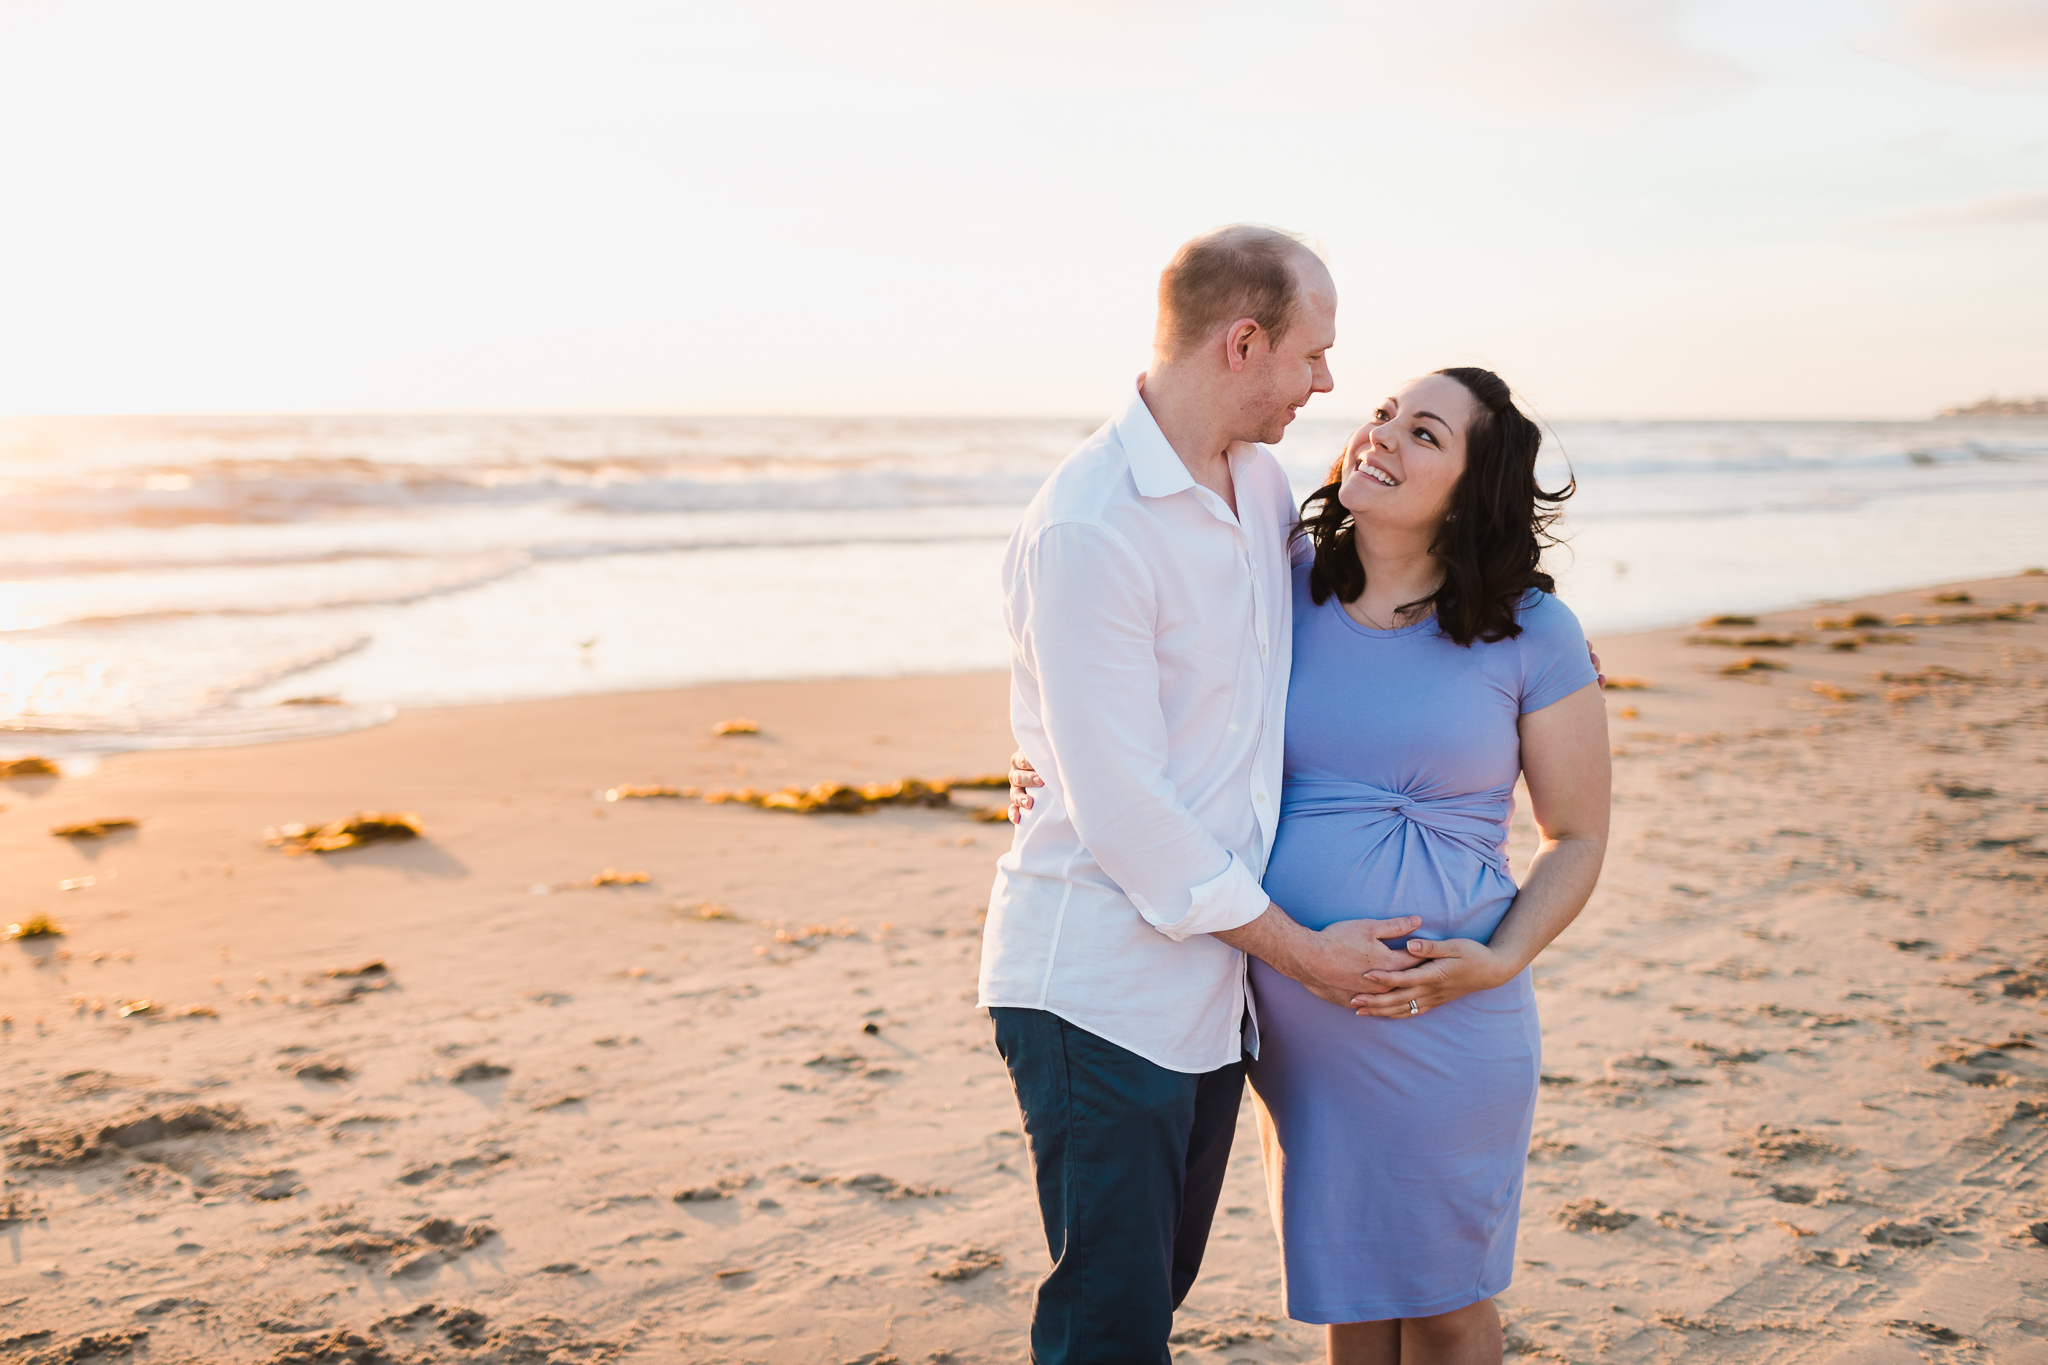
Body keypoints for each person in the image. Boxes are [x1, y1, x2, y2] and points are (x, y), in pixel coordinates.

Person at [977, 224, 1426, 1365]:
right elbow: (1126, 817)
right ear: (1243, 342)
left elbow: (1370, 592)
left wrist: (1525, 654)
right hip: (1095, 983)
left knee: (1152, 1290)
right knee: (1108, 1324)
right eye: (1313, 354)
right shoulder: (1090, 525)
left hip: (1206, 984)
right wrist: (1308, 956)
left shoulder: (1261, 482)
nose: (1326, 383)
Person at [1248, 367, 1610, 1364]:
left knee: (1445, 1302)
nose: (1379, 438)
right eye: (1379, 417)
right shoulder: (1275, 589)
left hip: (1451, 1006)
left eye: (1421, 434)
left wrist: (1499, 960)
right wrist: (1045, 763)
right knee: (1351, 1295)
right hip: (1298, 997)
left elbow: (1575, 835)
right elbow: (1145, 692)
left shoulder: (1533, 632)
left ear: (1471, 487)